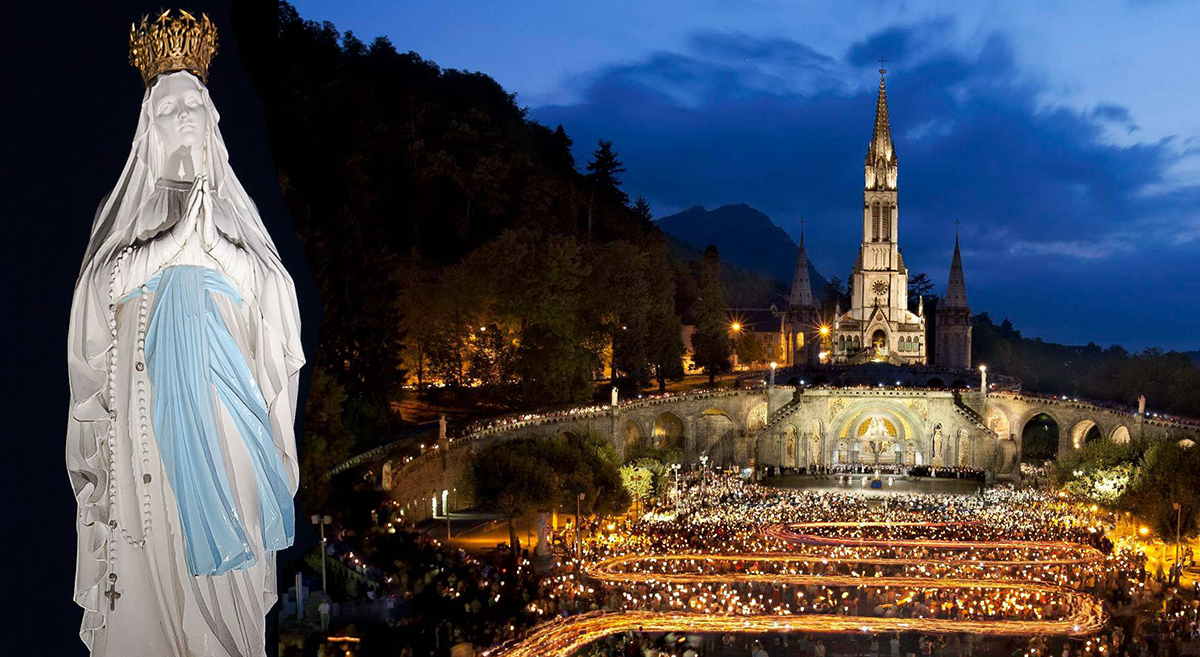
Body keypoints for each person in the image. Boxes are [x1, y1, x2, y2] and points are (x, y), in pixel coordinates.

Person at [67, 12, 304, 657]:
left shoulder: (233, 209)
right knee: (152, 562)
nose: (183, 117)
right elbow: (95, 296)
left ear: (212, 119)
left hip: (223, 415)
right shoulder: (125, 213)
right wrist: (172, 247)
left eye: (193, 105)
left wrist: (214, 252)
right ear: (148, 123)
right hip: (146, 423)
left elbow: (275, 301)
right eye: (168, 108)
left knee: (223, 580)